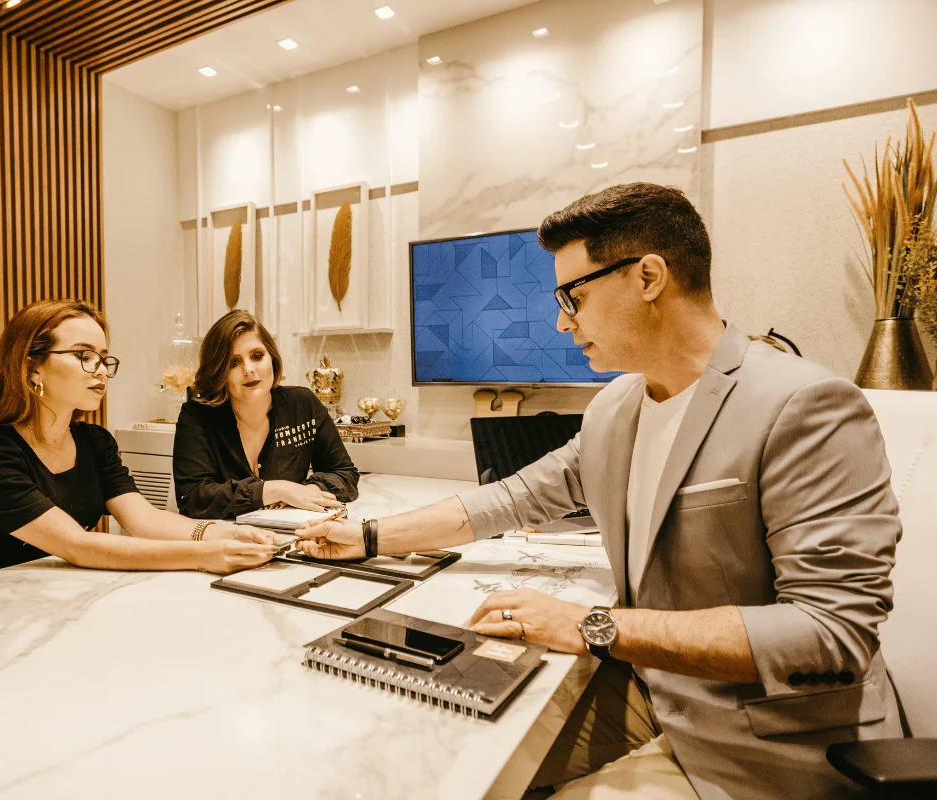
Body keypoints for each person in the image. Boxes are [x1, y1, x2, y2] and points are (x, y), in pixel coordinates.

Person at [296, 183, 903, 800]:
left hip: (761, 740)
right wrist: (368, 536)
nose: (562, 322)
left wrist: (594, 626)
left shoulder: (804, 405)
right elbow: (513, 499)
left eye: (573, 296)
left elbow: (831, 632)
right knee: (440, 765)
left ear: (648, 277)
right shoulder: (615, 409)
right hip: (651, 690)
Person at [0, 299, 276, 585]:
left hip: (54, 593)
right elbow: (77, 545)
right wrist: (207, 555)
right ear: (32, 368)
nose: (99, 369)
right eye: (83, 356)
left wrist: (225, 534)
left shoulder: (94, 442)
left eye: (102, 357)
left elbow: (144, 520)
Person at [173, 310, 359, 520]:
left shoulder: (302, 405)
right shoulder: (196, 417)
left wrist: (312, 489)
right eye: (233, 362)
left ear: (272, 358)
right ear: (218, 371)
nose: (249, 369)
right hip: (222, 543)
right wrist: (276, 490)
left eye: (257, 356)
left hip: (292, 539)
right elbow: (193, 498)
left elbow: (345, 473)